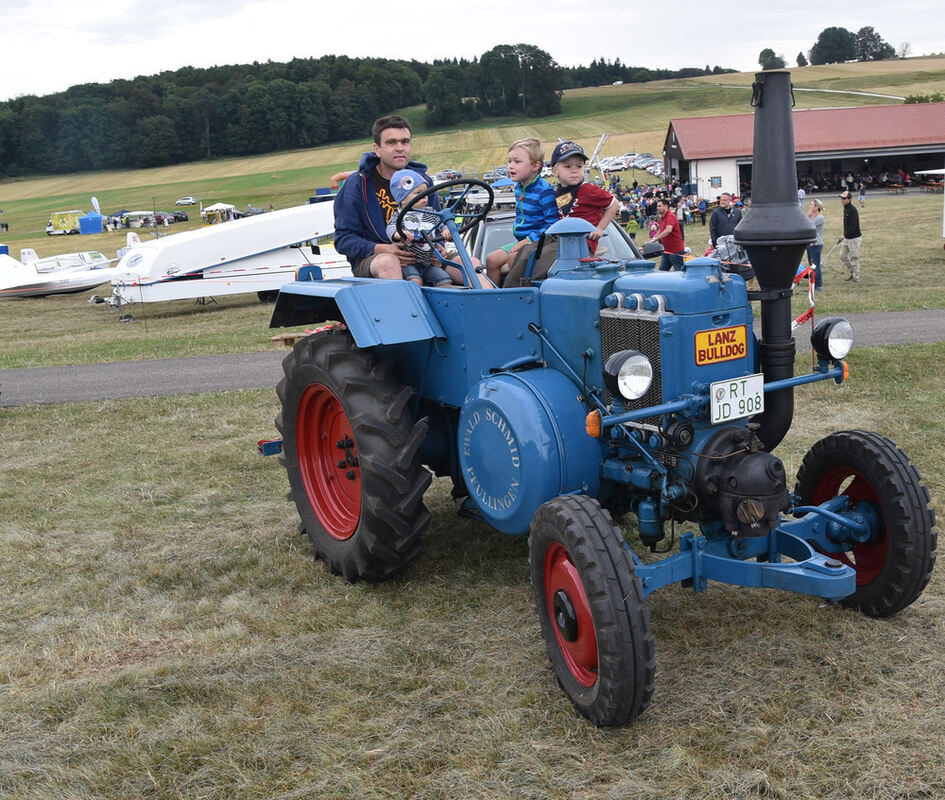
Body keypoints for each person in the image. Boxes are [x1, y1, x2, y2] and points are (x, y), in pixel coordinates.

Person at [333, 114, 440, 280]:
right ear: (377, 149)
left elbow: (437, 223)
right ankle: (405, 306)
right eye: (391, 142)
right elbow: (343, 240)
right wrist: (382, 248)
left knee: (469, 261)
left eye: (405, 141)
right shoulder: (357, 185)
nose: (400, 147)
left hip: (424, 255)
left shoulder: (424, 182)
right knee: (388, 262)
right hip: (375, 259)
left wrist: (438, 247)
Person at [485, 137, 557, 286]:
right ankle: (492, 298)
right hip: (522, 240)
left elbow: (552, 224)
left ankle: (516, 295)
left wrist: (529, 240)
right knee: (491, 260)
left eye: (517, 162)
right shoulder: (518, 188)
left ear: (535, 166)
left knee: (513, 259)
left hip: (537, 241)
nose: (510, 166)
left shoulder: (544, 191)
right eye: (509, 161)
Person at [385, 169, 453, 287]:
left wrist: (446, 231)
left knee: (444, 279)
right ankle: (417, 303)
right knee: (415, 281)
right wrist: (399, 234)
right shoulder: (399, 216)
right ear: (403, 199)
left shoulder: (431, 213)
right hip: (409, 262)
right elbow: (390, 228)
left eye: (425, 193)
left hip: (429, 263)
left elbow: (441, 225)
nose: (424, 197)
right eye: (418, 194)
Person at [549, 141, 618, 255]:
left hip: (583, 244)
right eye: (568, 166)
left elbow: (613, 204)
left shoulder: (588, 189)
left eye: (579, 166)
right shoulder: (557, 192)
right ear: (555, 171)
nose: (574, 170)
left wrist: (600, 228)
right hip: (563, 243)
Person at [649, 198, 685, 270]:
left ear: (666, 206)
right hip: (666, 251)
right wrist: (653, 239)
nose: (657, 208)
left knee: (681, 273)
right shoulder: (662, 217)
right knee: (662, 273)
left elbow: (668, 230)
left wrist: (656, 239)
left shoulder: (670, 216)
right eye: (657, 206)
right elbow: (661, 229)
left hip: (675, 252)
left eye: (660, 206)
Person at [839, 190, 862, 282]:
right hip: (847, 237)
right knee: (842, 256)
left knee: (854, 257)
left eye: (844, 198)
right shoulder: (845, 208)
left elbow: (853, 225)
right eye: (841, 198)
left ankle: (856, 277)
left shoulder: (853, 210)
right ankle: (853, 270)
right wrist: (845, 235)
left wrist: (845, 235)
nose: (842, 200)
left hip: (854, 238)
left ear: (849, 199)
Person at [806, 198, 825, 290]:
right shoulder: (812, 216)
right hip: (810, 244)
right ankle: (813, 283)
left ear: (817, 207)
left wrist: (808, 215)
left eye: (812, 205)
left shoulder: (820, 218)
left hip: (816, 244)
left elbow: (808, 226)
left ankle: (818, 285)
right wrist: (809, 215)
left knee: (815, 265)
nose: (810, 206)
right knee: (811, 265)